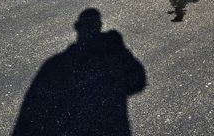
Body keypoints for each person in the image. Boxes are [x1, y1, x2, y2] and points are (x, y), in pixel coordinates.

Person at [13, 8, 146, 135]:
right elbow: (138, 81)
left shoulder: (55, 63)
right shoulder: (112, 43)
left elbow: (32, 104)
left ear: (78, 27)